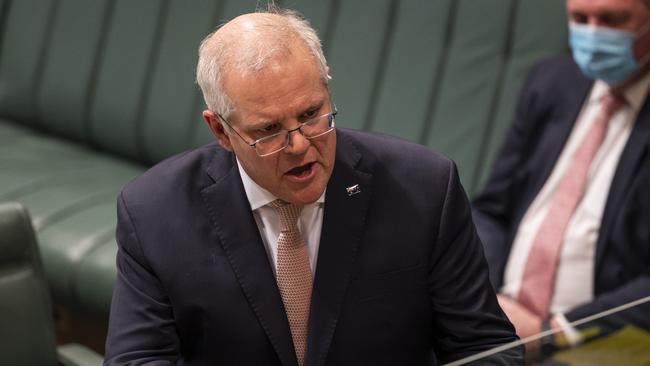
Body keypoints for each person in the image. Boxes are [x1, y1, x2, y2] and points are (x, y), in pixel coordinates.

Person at [104, 7, 522, 366]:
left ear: (326, 83)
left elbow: (486, 347)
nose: (300, 144)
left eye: (311, 113)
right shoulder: (153, 213)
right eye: (268, 130)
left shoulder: (426, 189)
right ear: (221, 131)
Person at [472, 0, 650, 355]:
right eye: (580, 19)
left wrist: (553, 333)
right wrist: (485, 301)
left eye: (613, 20)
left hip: (606, 344)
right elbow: (492, 210)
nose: (593, 33)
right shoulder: (552, 81)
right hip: (497, 319)